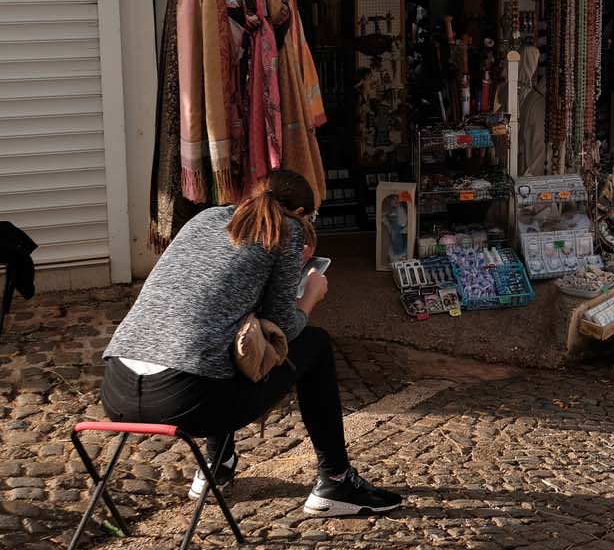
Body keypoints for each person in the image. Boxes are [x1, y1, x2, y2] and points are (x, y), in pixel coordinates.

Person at [102, 170, 400, 517]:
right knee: (315, 344)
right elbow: (285, 327)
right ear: (302, 214)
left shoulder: (207, 217)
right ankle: (336, 480)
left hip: (117, 392)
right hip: (184, 402)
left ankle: (217, 465)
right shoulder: (286, 233)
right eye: (313, 219)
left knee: (224, 342)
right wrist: (311, 296)